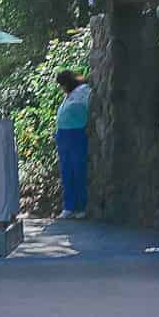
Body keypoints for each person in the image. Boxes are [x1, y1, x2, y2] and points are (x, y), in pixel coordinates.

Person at [55, 70, 92, 220]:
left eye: (62, 85)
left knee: (78, 170)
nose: (61, 88)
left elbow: (85, 108)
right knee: (66, 171)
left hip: (76, 134)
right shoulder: (70, 94)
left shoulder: (83, 91)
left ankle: (80, 207)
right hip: (64, 134)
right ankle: (69, 207)